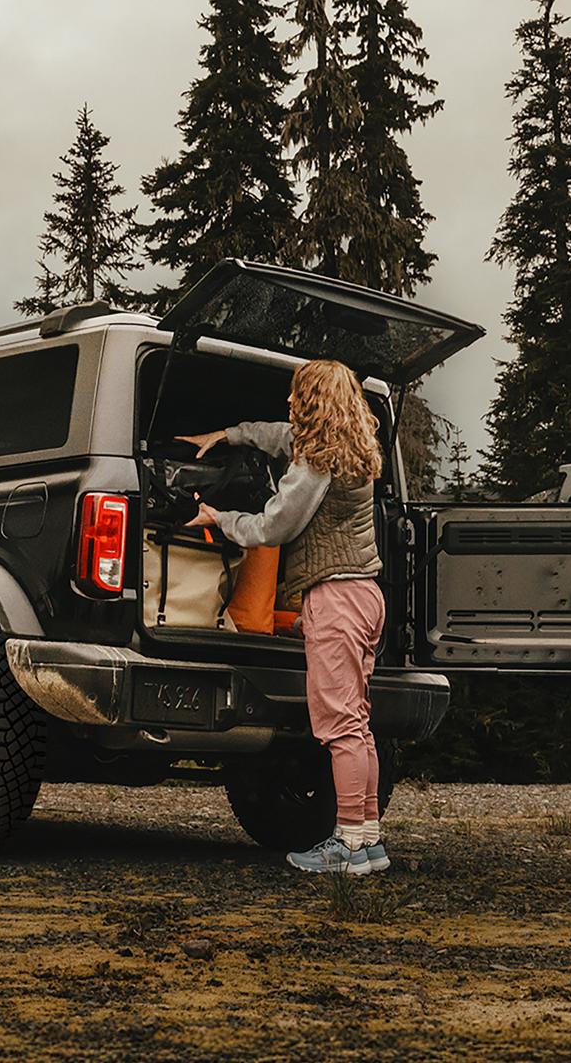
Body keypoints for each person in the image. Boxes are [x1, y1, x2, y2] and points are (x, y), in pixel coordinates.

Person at [179, 359, 389, 875]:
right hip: (365, 595)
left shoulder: (315, 466)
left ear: (315, 401)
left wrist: (219, 518)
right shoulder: (353, 448)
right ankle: (368, 841)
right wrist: (229, 434)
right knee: (357, 727)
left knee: (339, 728)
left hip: (336, 600)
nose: (291, 403)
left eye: (298, 396)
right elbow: (280, 435)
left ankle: (347, 845)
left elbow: (274, 526)